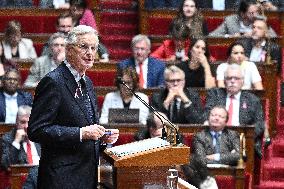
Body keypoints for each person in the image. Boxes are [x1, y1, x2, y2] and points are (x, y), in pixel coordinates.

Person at [27, 25, 119, 189]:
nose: (90, 53)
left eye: (93, 48)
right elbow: (37, 130)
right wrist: (81, 133)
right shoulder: (54, 82)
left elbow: (85, 128)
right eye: (83, 47)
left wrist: (101, 137)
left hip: (86, 176)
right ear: (69, 50)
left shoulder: (88, 83)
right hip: (61, 179)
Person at [204, 64, 265, 158]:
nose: (232, 81)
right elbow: (207, 114)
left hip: (242, 140)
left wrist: (244, 138)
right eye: (229, 78)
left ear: (242, 81)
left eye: (236, 78)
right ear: (224, 81)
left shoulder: (252, 99)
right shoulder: (215, 95)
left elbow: (259, 124)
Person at [181, 106, 239, 188]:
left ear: (226, 121)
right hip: (205, 170)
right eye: (213, 115)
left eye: (220, 116)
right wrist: (227, 157)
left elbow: (237, 155)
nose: (216, 118)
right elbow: (200, 158)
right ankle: (205, 184)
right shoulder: (200, 136)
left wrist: (215, 156)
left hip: (225, 170)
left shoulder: (232, 135)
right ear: (208, 118)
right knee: (190, 158)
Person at [41, 12, 109, 62]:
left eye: (68, 26)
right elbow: (44, 60)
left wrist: (104, 57)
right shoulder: (51, 41)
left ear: (73, 26)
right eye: (63, 26)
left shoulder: (80, 38)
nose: (66, 30)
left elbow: (101, 48)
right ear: (57, 27)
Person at [0, 106, 40, 171]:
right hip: (23, 179)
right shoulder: (7, 139)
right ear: (16, 123)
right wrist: (16, 142)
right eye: (23, 122)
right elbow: (6, 165)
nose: (26, 126)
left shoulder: (39, 137)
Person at [209, 0, 277, 38]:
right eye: (251, 13)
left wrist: (258, 34)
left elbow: (274, 36)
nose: (255, 15)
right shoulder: (230, 20)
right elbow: (212, 36)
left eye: (257, 12)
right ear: (242, 14)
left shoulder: (261, 19)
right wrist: (230, 36)